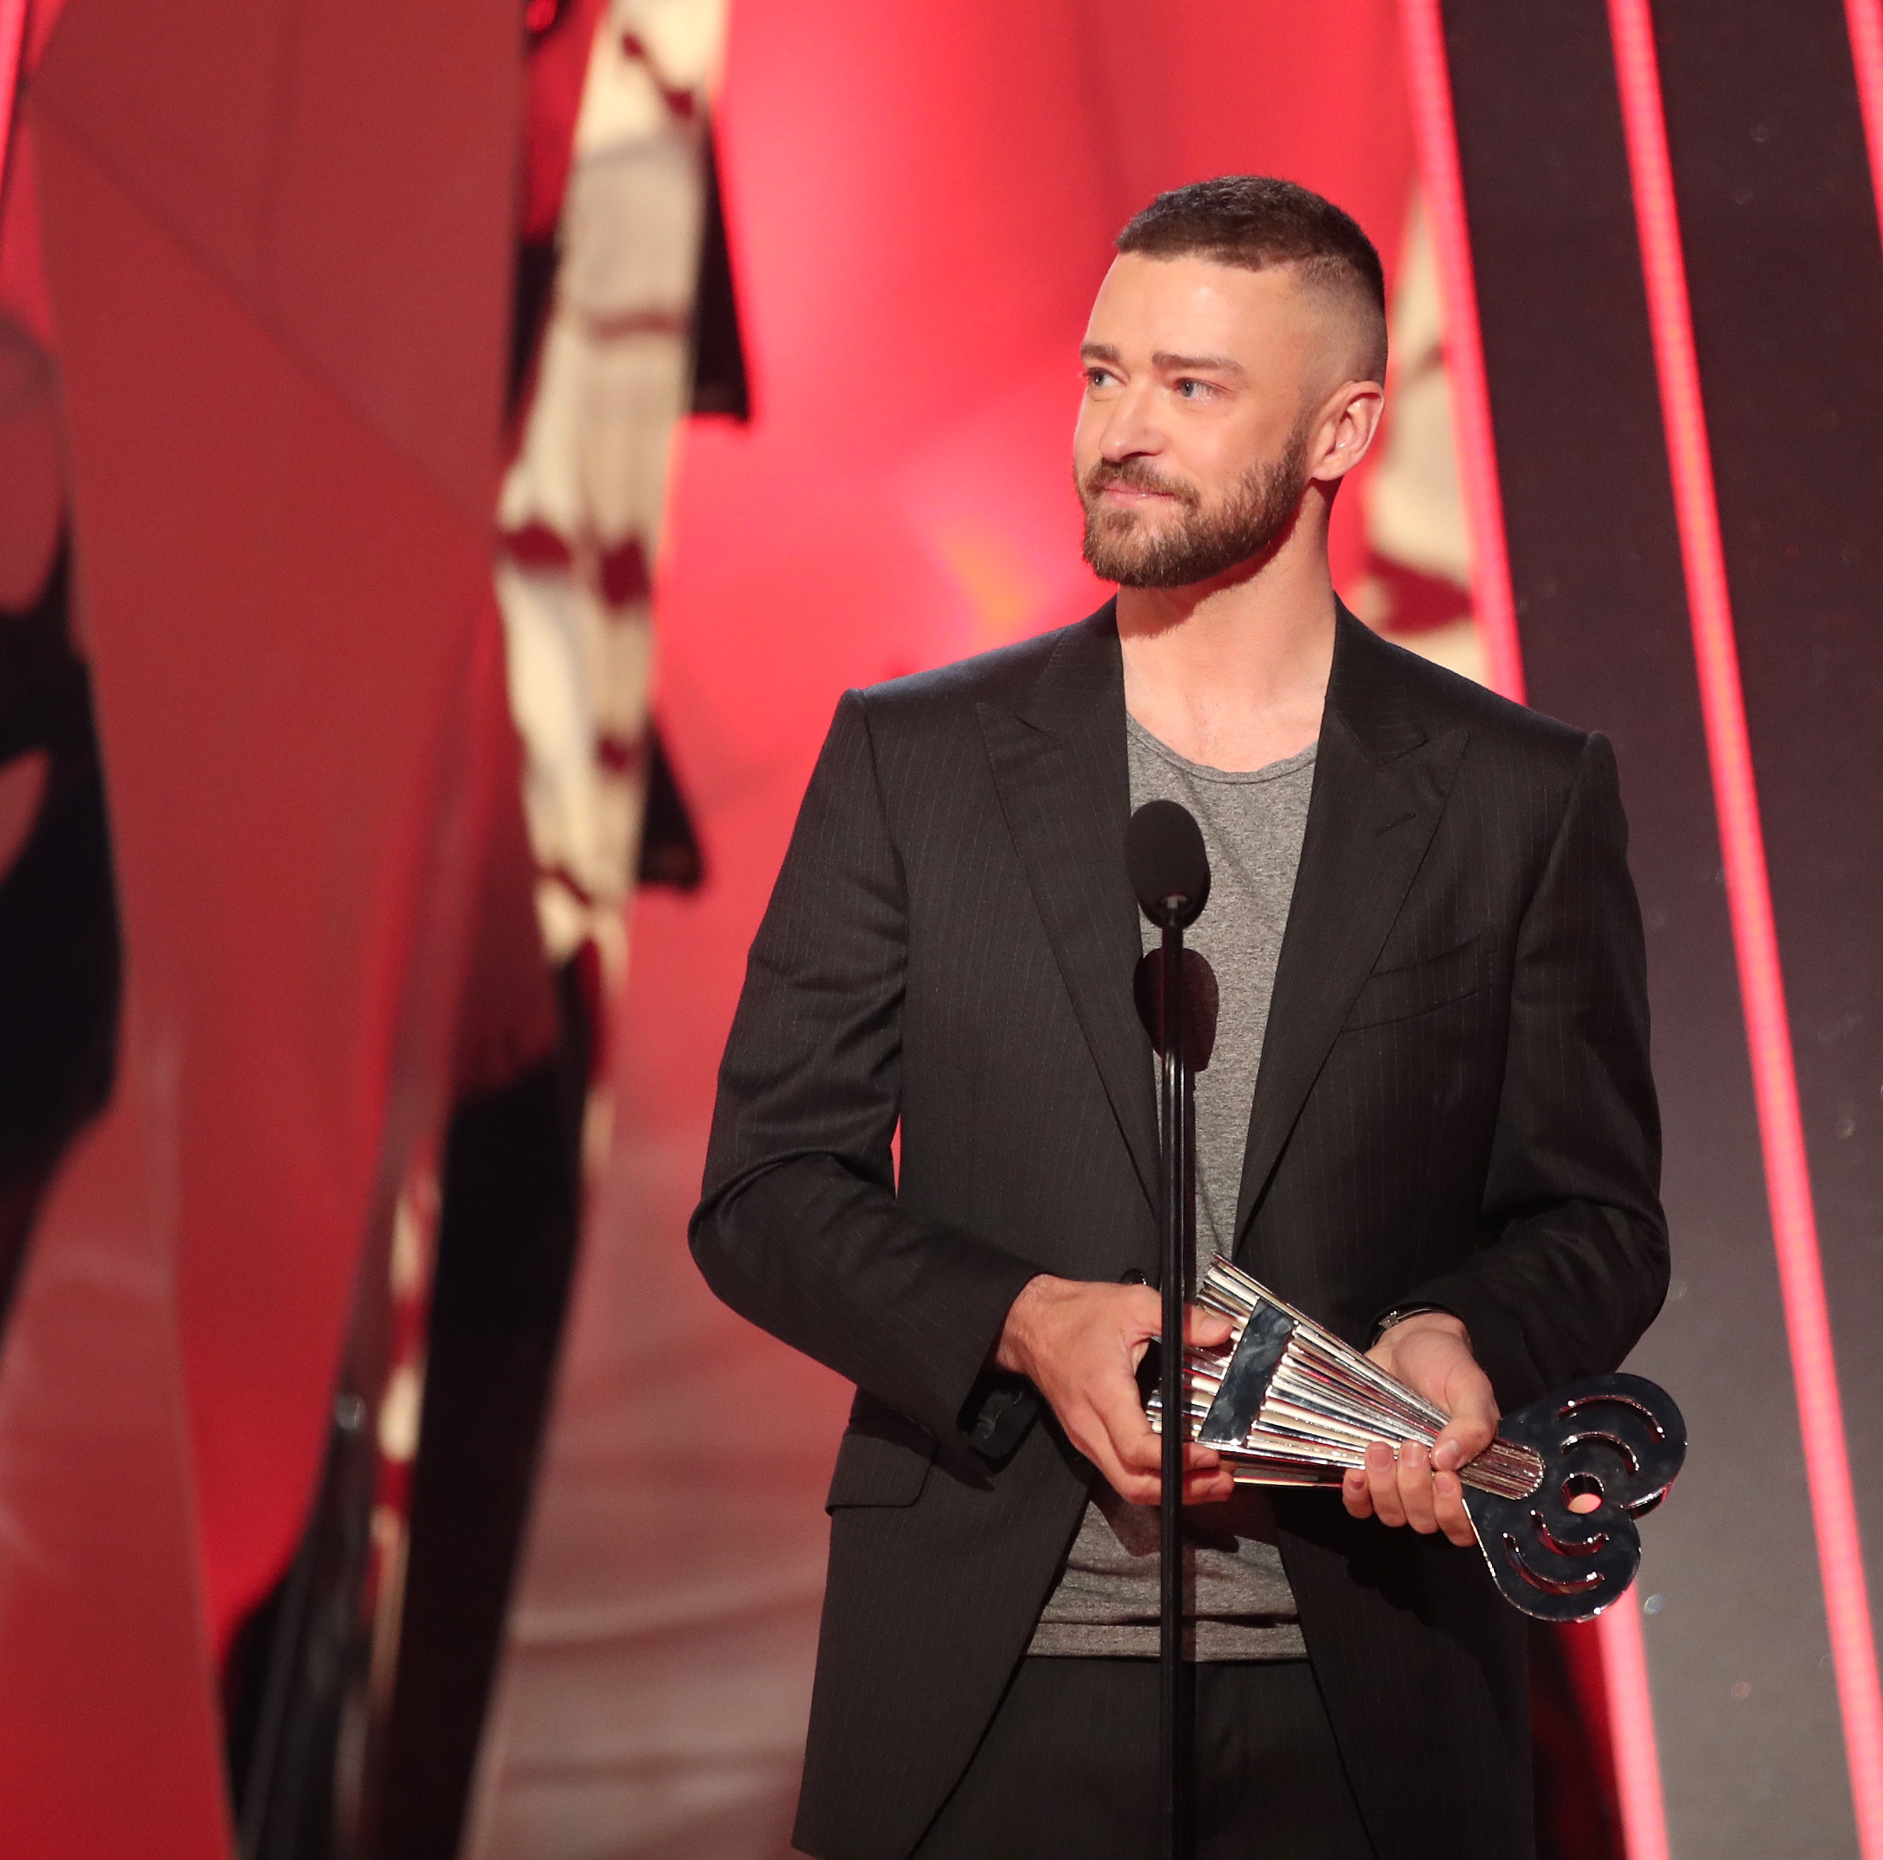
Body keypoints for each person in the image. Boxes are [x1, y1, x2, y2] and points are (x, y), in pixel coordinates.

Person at [692, 175, 1667, 1860]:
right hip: (984, 1694)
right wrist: (1021, 1321)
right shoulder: (912, 765)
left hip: (1366, 1691)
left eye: (1190, 388)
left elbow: (1596, 1218)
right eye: (1102, 375)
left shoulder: (1520, 796)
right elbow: (767, 1191)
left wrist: (1463, 1339)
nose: (1120, 432)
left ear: (1344, 429)